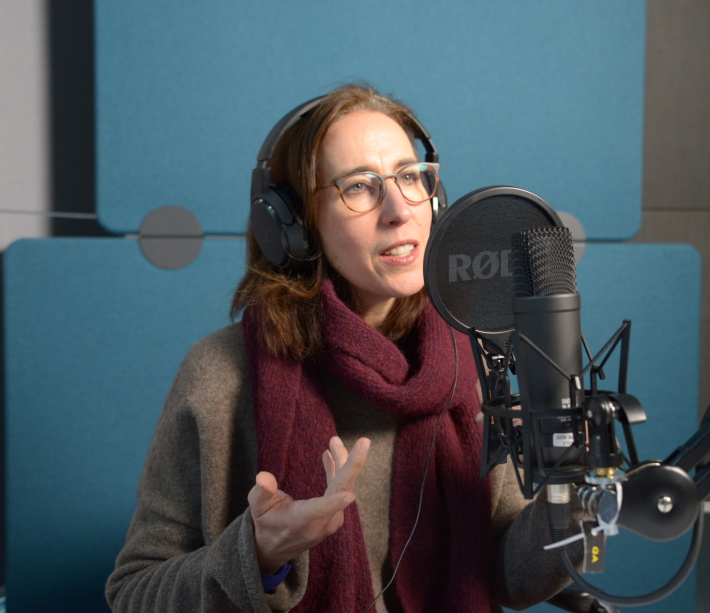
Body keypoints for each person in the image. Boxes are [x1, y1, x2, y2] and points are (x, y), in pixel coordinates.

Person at [105, 83, 583, 613]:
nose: (399, 210)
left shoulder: (469, 358)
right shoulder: (221, 375)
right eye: (359, 186)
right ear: (296, 225)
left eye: (410, 176)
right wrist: (259, 556)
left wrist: (575, 497)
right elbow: (134, 594)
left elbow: (504, 575)